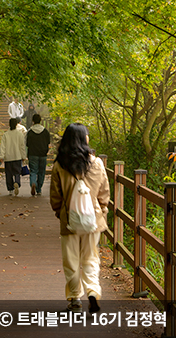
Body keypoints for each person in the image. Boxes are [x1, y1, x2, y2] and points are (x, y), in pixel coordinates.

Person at [50, 123, 110, 314]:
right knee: (91, 258)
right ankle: (93, 291)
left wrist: (60, 213)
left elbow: (55, 196)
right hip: (93, 220)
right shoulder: (97, 163)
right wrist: (102, 212)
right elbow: (104, 193)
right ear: (84, 139)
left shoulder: (60, 165)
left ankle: (75, 298)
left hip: (69, 221)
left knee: (71, 260)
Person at [0, 118, 26, 196]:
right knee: (17, 172)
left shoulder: (6, 134)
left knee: (9, 174)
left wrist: (1, 156)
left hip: (8, 158)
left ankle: (10, 189)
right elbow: (22, 146)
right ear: (17, 124)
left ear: (9, 125)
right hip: (17, 157)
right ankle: (17, 182)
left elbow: (3, 147)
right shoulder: (20, 134)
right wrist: (23, 156)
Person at [26, 114, 50, 196]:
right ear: (40, 120)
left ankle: (33, 183)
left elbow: (27, 143)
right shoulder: (45, 131)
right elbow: (48, 142)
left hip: (32, 154)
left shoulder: (30, 131)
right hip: (43, 154)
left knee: (33, 171)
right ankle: (39, 189)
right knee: (41, 172)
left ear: (33, 121)